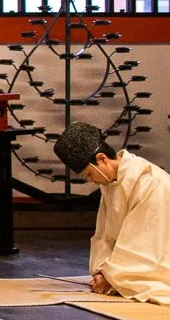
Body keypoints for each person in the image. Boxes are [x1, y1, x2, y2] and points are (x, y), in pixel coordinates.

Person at [55, 122, 170, 304]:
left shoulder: (150, 182)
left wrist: (110, 276)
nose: (91, 180)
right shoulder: (110, 183)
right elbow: (104, 233)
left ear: (102, 159)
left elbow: (142, 243)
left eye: (89, 174)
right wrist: (101, 271)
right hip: (127, 262)